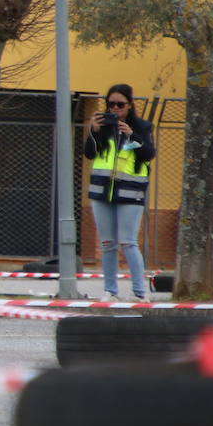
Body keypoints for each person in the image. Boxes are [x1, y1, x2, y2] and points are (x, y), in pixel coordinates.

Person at [83, 84, 156, 300]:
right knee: (107, 244)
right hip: (102, 192)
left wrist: (132, 136)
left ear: (130, 105)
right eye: (111, 104)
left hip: (130, 192)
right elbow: (89, 153)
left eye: (120, 104)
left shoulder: (141, 127)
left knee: (128, 242)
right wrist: (93, 132)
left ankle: (140, 292)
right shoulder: (102, 127)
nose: (115, 108)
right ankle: (110, 291)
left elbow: (148, 154)